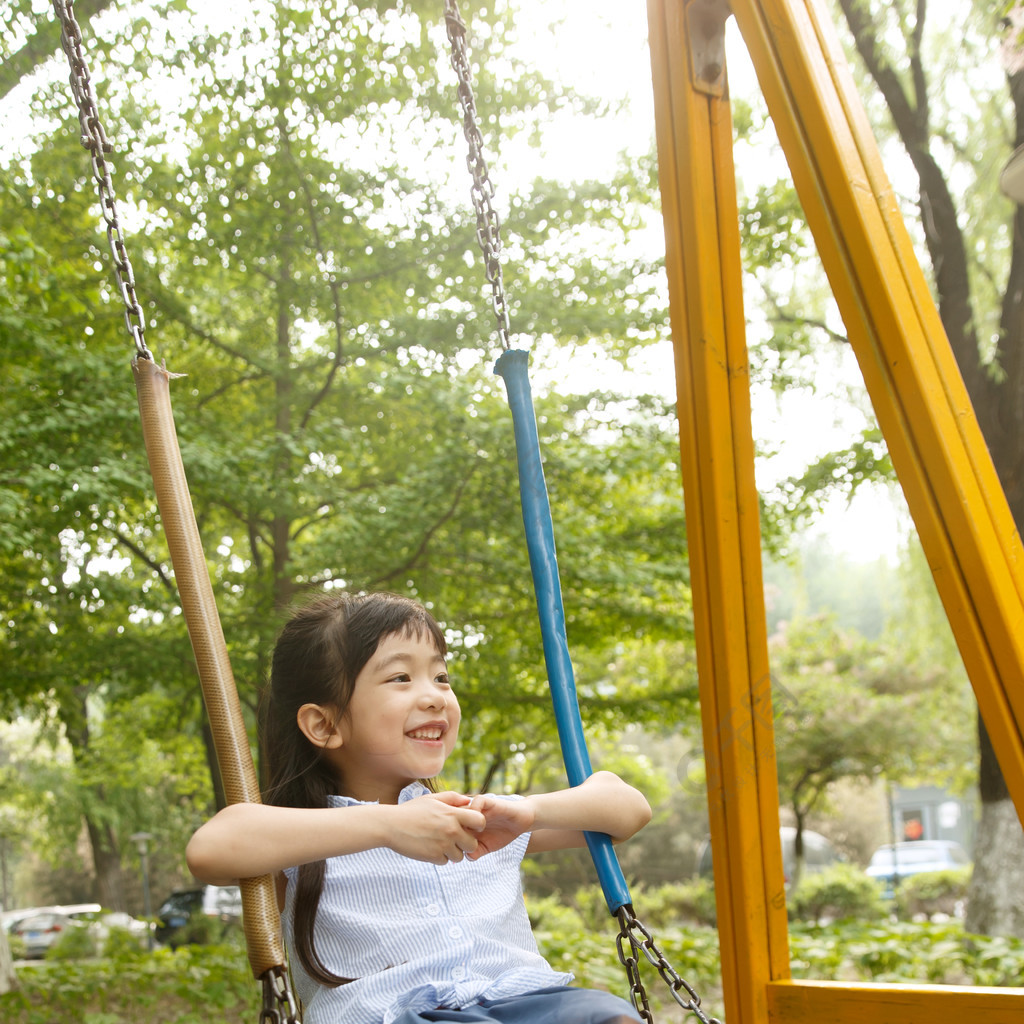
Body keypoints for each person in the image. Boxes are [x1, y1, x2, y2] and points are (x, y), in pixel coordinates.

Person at [186, 591, 652, 1024]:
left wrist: (530, 812)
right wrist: (389, 825)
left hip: (524, 1003)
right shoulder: (306, 839)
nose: (434, 695)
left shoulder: (472, 818)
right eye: (400, 678)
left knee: (606, 1017)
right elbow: (211, 848)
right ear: (324, 725)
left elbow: (625, 807)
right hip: (394, 1014)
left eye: (441, 676)